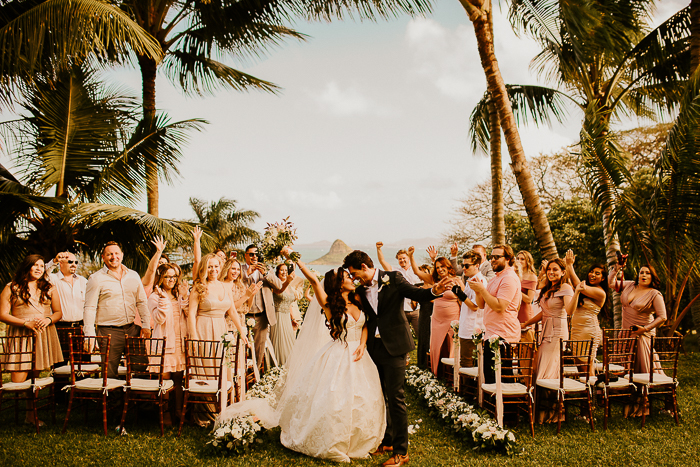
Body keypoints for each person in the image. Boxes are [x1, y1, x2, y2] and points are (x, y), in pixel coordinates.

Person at [344, 250, 453, 467]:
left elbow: (416, 294)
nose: (354, 277)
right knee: (380, 395)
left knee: (396, 398)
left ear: (365, 267)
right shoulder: (360, 290)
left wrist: (434, 290)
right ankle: (388, 441)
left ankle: (402, 452)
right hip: (374, 348)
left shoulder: (392, 278)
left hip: (395, 346)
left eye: (355, 273)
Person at [0, 255, 63, 425]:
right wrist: (25, 323)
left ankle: (30, 416)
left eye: (41, 266)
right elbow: (2, 314)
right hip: (20, 336)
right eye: (34, 265)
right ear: (26, 267)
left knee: (34, 377)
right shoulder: (12, 287)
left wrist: (48, 320)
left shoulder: (49, 287)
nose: (38, 268)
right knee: (18, 381)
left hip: (41, 335)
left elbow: (58, 312)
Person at [188, 253, 249, 425]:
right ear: (204, 268)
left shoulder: (224, 286)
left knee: (223, 367)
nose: (213, 270)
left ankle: (223, 409)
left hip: (222, 330)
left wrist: (241, 331)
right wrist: (194, 337)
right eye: (210, 267)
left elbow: (232, 311)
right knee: (207, 368)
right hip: (204, 329)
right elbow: (191, 313)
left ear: (220, 268)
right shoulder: (199, 286)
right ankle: (207, 413)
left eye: (216, 266)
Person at [83, 241, 151, 379]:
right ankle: (113, 401)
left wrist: (146, 325)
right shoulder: (96, 279)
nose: (113, 257)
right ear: (103, 257)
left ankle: (138, 400)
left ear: (122, 255)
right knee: (109, 372)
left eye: (116, 253)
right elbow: (89, 308)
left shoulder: (133, 275)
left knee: (141, 368)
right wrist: (89, 334)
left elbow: (142, 302)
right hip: (108, 331)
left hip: (132, 329)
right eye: (109, 254)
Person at [467, 244, 522, 384]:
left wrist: (482, 290)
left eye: (497, 257)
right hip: (491, 333)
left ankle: (505, 406)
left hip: (503, 335)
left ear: (508, 258)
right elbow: (482, 305)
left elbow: (499, 306)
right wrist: (478, 290)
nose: (492, 260)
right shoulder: (496, 278)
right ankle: (492, 405)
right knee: (490, 377)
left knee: (502, 379)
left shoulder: (509, 278)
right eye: (491, 257)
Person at [408, 248, 463, 375]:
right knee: (436, 346)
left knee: (451, 347)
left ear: (448, 267)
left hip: (453, 318)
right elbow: (416, 271)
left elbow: (463, 301)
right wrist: (411, 256)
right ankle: (438, 373)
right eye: (437, 267)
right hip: (437, 320)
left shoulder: (457, 281)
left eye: (442, 266)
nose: (440, 269)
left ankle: (452, 375)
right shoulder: (434, 281)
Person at [608, 258, 667, 374]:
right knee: (620, 364)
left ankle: (643, 386)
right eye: (641, 272)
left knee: (641, 363)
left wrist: (645, 329)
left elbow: (663, 317)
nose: (644, 275)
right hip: (625, 332)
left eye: (647, 273)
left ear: (652, 277)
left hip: (641, 332)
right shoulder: (630, 285)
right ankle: (624, 386)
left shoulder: (654, 294)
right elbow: (611, 283)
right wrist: (617, 267)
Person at [149, 263, 188, 424]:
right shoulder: (154, 296)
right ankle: (164, 413)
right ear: (160, 278)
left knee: (179, 379)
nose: (171, 279)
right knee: (164, 379)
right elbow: (159, 319)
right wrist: (163, 300)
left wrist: (185, 297)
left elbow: (187, 313)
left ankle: (178, 411)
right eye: (167, 276)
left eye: (173, 276)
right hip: (164, 343)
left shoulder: (179, 294)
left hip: (180, 341)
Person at [241, 244, 288, 369]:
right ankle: (240, 376)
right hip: (242, 315)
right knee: (240, 347)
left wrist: (266, 273)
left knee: (259, 349)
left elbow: (279, 285)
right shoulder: (240, 269)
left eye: (257, 254)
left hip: (262, 316)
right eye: (251, 254)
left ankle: (255, 377)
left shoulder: (267, 269)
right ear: (246, 255)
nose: (254, 256)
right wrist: (247, 274)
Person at [565, 250, 606, 376]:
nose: (592, 275)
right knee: (579, 366)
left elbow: (579, 285)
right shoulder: (583, 292)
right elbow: (571, 282)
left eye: (597, 273)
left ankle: (595, 393)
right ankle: (587, 392)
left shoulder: (600, 293)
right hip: (577, 330)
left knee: (587, 366)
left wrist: (570, 265)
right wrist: (566, 265)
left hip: (589, 331)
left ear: (603, 278)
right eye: (591, 272)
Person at [376, 242, 420, 336]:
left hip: (416, 309)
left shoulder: (415, 270)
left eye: (404, 258)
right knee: (403, 335)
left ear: (408, 258)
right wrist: (379, 249)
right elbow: (382, 261)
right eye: (400, 259)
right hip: (402, 310)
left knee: (421, 334)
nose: (402, 260)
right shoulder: (395, 271)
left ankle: (425, 351)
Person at [454, 250, 487, 368]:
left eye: (467, 265)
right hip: (467, 326)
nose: (463, 268)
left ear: (477, 265)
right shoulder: (470, 279)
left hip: (472, 328)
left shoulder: (479, 280)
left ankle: (467, 387)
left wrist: (461, 295)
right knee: (465, 363)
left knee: (467, 365)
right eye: (463, 265)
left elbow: (475, 306)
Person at [47, 252, 87, 329]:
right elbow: (42, 273)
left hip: (81, 327)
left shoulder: (83, 281)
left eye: (76, 262)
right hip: (59, 326)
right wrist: (54, 261)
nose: (74, 264)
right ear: (61, 263)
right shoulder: (52, 279)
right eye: (70, 262)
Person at [269, 263, 298, 366]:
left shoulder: (289, 287)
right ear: (277, 272)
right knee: (280, 343)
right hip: (278, 316)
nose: (284, 272)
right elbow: (279, 291)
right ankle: (278, 367)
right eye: (282, 270)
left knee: (289, 342)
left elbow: (288, 303)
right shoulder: (275, 284)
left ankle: (290, 367)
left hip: (287, 318)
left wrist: (293, 318)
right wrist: (288, 281)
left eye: (286, 270)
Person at [415, 264, 434, 370]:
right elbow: (414, 306)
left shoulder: (435, 287)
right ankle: (422, 364)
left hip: (433, 314)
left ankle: (431, 364)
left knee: (431, 338)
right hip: (423, 315)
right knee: (422, 338)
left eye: (424, 272)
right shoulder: (419, 287)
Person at [515, 250, 538, 326]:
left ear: (528, 261)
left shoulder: (532, 276)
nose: (519, 261)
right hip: (513, 310)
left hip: (524, 311)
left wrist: (516, 290)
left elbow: (529, 299)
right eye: (517, 258)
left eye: (522, 259)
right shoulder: (514, 274)